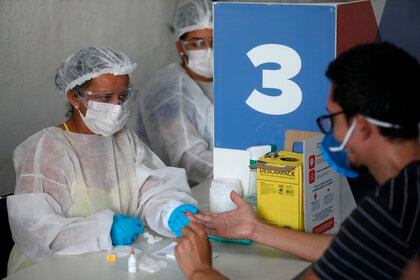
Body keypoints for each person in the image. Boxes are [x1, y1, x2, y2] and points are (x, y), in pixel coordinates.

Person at [175, 42, 420, 279]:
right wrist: (256, 229)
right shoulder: (405, 198)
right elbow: (362, 251)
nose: (331, 132)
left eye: (333, 119)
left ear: (362, 128)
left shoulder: (392, 210)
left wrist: (200, 271)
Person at [7, 46, 198, 275]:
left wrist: (170, 212)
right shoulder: (48, 149)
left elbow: (152, 188)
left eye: (123, 96)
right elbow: (35, 232)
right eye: (105, 98)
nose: (117, 107)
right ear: (74, 97)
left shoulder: (124, 138)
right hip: (50, 269)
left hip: (111, 263)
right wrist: (104, 231)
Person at [138, 0, 214, 185]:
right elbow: (188, 160)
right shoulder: (167, 93)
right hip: (187, 192)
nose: (209, 50)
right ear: (181, 48)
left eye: (215, 42)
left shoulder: (229, 79)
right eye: (197, 43)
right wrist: (245, 169)